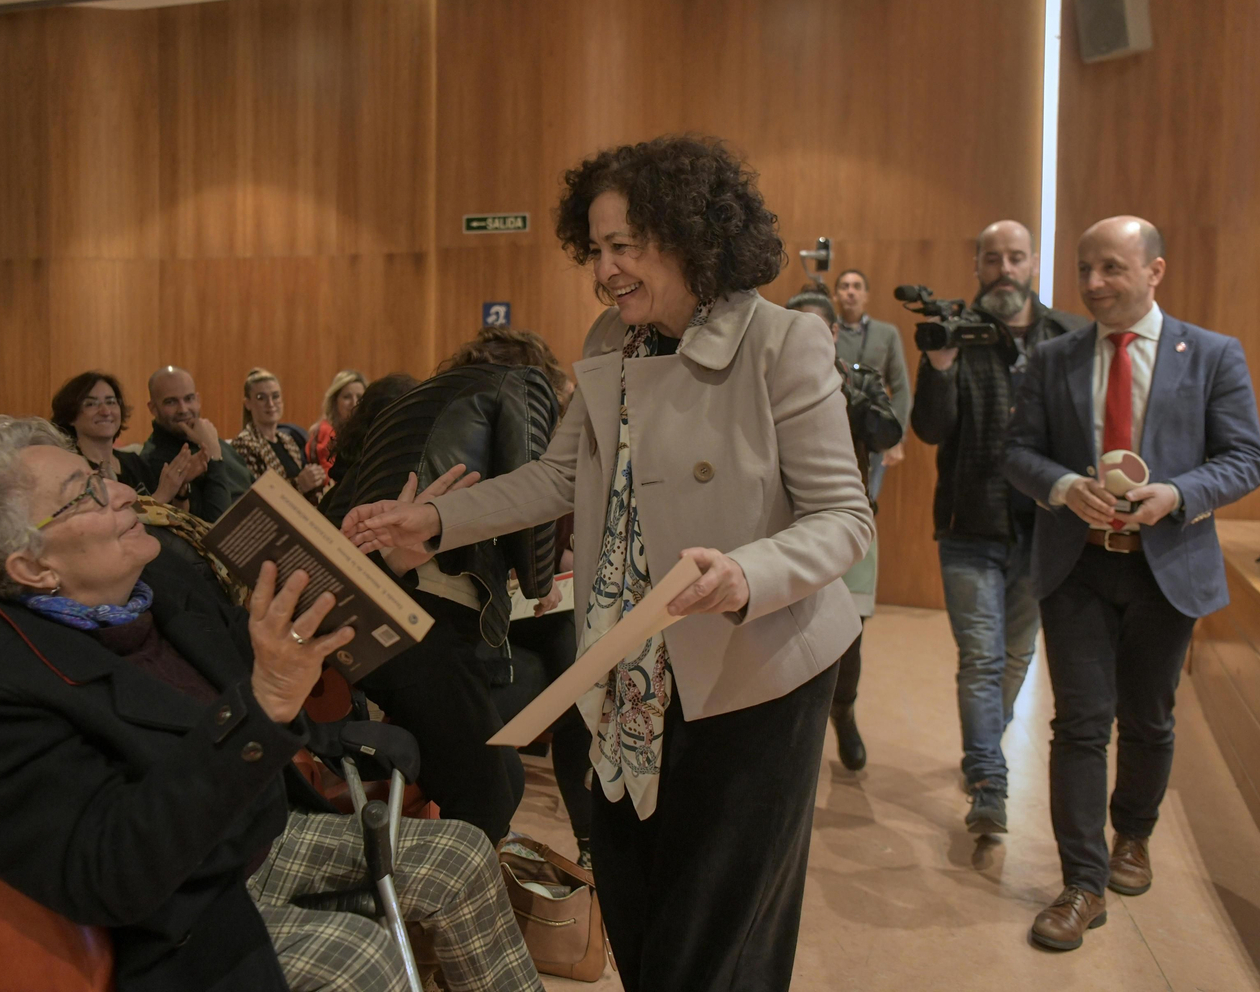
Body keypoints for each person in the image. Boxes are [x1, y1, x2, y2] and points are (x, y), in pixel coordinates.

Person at [346, 137, 874, 992]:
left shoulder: (784, 344)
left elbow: (845, 518)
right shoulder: (612, 337)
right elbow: (559, 476)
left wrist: (746, 575)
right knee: (635, 907)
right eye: (595, 249)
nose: (605, 270)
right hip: (623, 672)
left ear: (693, 235)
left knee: (712, 938)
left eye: (626, 245)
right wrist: (436, 517)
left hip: (746, 677)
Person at [0, 416, 543, 992]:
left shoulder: (153, 586)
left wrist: (379, 567)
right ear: (32, 568)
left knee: (460, 853)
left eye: (99, 475)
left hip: (252, 835)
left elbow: (279, 650)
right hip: (169, 909)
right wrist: (263, 706)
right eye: (86, 494)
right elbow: (114, 872)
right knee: (358, 953)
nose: (124, 491)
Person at [1004, 216, 1260, 950]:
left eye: (1112, 268)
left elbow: (1247, 458)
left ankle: (1134, 835)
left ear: (1154, 270)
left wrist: (1177, 493)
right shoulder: (1053, 357)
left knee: (1148, 719)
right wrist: (1059, 486)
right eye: (1085, 269)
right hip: (1077, 567)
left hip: (1167, 567)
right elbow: (1017, 452)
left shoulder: (1212, 354)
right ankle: (1082, 883)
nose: (1093, 284)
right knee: (1080, 723)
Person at [322, 330, 563, 845]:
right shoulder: (523, 384)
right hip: (420, 614)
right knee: (488, 792)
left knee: (502, 775)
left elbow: (337, 510)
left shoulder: (406, 405)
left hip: (359, 610)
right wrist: (541, 580)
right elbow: (538, 492)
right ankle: (434, 912)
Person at [909, 219, 1085, 837]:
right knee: (981, 660)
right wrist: (938, 365)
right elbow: (930, 429)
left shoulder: (1068, 337)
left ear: (1034, 262)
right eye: (993, 259)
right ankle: (989, 780)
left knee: (1015, 656)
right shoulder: (955, 331)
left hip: (1047, 529)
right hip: (969, 526)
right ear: (977, 265)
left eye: (1016, 257)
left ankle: (982, 747)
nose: (1004, 269)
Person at [785, 286, 903, 772]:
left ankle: (844, 711)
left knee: (849, 638)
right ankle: (796, 734)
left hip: (849, 528)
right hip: (783, 533)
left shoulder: (862, 381)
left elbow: (887, 432)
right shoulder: (764, 380)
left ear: (834, 334)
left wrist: (840, 388)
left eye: (815, 332)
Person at [831, 269, 911, 499]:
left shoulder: (887, 333)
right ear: (835, 295)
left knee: (867, 500)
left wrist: (896, 436)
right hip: (837, 428)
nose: (850, 292)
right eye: (844, 287)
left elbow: (901, 387)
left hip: (875, 429)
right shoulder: (827, 331)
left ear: (866, 295)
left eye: (857, 286)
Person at [137, 366, 250, 523]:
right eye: (171, 402)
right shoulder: (155, 461)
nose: (183, 409)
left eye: (188, 399)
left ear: (198, 400)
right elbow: (215, 524)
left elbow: (253, 486)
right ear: (153, 409)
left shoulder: (208, 437)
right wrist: (214, 457)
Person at [232, 368, 326, 502]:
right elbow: (255, 497)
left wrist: (315, 480)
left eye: (275, 396)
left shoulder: (289, 441)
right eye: (261, 398)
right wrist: (300, 484)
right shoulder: (243, 444)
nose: (270, 404)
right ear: (248, 404)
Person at [50, 371, 150, 492]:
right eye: (91, 404)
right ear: (71, 416)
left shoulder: (135, 462)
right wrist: (162, 494)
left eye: (111, 402)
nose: (106, 411)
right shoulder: (71, 469)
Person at [308, 370, 367, 475]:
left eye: (359, 397)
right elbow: (329, 475)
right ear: (335, 401)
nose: (354, 403)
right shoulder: (326, 431)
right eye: (347, 397)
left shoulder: (365, 429)